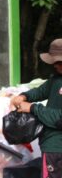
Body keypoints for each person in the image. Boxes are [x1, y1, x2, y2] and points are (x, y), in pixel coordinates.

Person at [10, 38, 62, 178]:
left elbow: (59, 119)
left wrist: (33, 108)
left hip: (57, 149)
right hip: (51, 146)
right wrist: (24, 96)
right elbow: (40, 91)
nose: (55, 66)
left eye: (58, 62)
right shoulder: (56, 79)